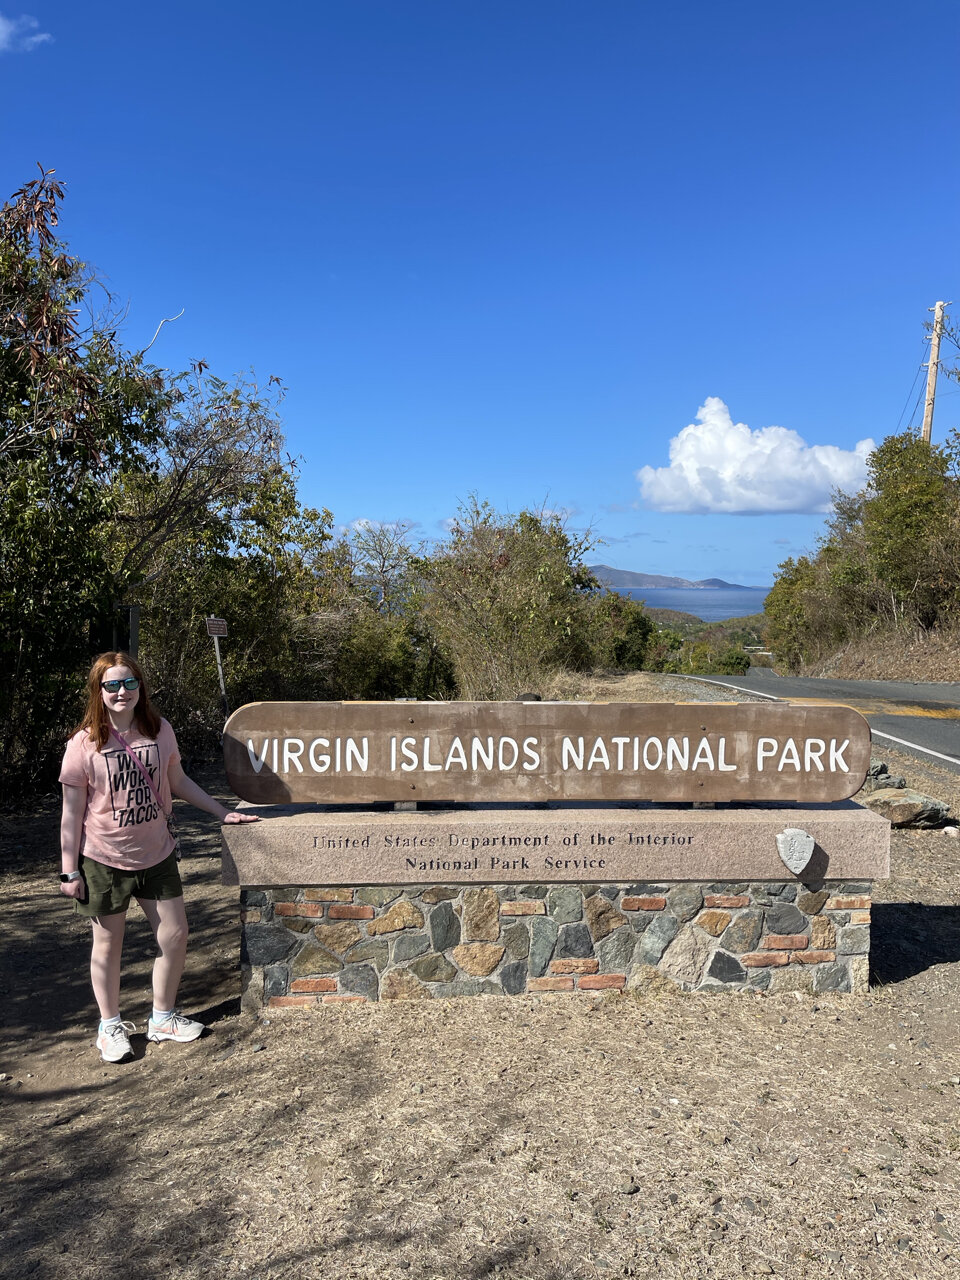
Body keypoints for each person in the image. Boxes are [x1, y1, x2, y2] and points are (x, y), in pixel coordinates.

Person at [59, 651, 259, 1063]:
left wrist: (222, 811)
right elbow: (71, 813)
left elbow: (178, 781)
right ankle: (110, 1026)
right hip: (103, 858)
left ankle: (162, 1018)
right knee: (108, 943)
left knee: (174, 934)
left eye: (129, 683)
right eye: (111, 685)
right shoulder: (83, 744)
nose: (121, 692)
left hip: (157, 854)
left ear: (140, 688)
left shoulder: (159, 729)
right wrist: (68, 871)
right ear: (98, 691)